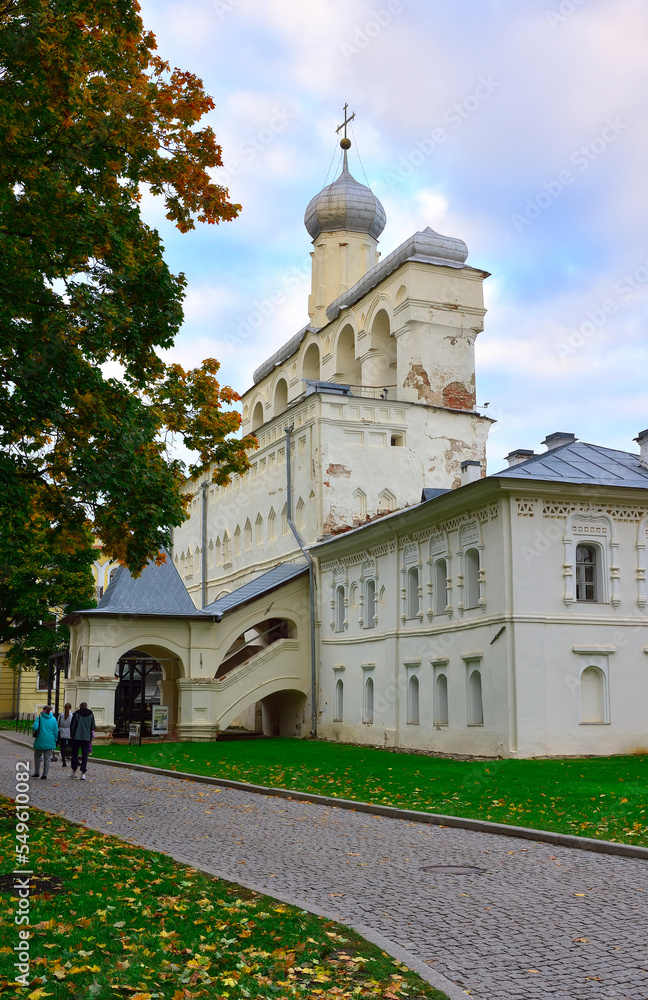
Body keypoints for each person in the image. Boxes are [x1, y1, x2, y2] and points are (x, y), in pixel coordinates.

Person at [69, 701, 95, 780]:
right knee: (84, 755)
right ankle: (83, 773)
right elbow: (93, 726)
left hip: (77, 737)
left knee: (74, 754)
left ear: (80, 707)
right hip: (86, 738)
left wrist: (72, 735)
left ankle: (74, 771)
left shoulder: (76, 714)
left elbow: (73, 726)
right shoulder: (91, 714)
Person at [31, 706, 58, 780]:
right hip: (50, 740)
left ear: (43, 710)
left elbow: (34, 727)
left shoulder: (39, 718)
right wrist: (55, 740)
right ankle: (45, 774)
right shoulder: (53, 719)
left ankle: (36, 772)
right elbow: (56, 731)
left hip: (40, 739)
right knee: (47, 758)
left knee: (37, 756)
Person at [57, 703, 73, 768]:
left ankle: (64, 761)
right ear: (70, 708)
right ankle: (74, 760)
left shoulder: (61, 716)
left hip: (62, 733)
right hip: (70, 733)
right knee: (72, 747)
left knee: (62, 748)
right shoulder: (72, 715)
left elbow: (58, 723)